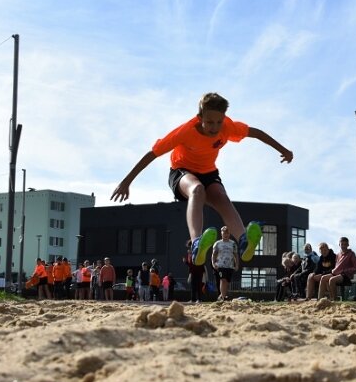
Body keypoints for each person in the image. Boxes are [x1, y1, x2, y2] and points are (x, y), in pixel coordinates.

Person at [111, 92, 293, 267]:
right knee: (197, 190)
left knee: (221, 196)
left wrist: (283, 149)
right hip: (182, 172)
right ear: (200, 117)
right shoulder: (185, 131)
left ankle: (243, 241)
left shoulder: (227, 127)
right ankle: (197, 242)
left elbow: (256, 133)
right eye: (209, 122)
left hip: (209, 173)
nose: (215, 127)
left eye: (218, 122)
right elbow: (153, 154)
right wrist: (126, 181)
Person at [212, 226, 239, 301]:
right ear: (221, 234)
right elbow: (213, 254)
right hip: (220, 265)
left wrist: (236, 265)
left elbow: (236, 255)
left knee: (227, 282)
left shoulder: (233, 243)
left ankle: (222, 295)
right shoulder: (217, 243)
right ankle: (223, 297)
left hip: (230, 266)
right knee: (223, 280)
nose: (226, 235)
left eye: (227, 233)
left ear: (229, 234)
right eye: (224, 233)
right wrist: (213, 263)